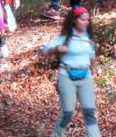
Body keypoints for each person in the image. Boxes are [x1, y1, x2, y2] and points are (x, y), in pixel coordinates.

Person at [42, 7, 101, 137]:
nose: (86, 22)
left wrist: (94, 71)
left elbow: (92, 56)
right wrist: (57, 48)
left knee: (90, 112)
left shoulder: (88, 39)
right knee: (67, 112)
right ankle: (57, 135)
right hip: (66, 76)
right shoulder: (65, 37)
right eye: (83, 20)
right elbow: (45, 50)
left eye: (88, 20)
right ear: (74, 20)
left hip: (85, 77)